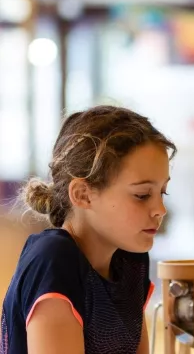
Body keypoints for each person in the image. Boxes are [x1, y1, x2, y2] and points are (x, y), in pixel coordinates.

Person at [1, 106, 176, 354]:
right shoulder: (54, 262)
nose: (160, 209)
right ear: (83, 195)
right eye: (142, 195)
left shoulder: (129, 257)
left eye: (162, 192)